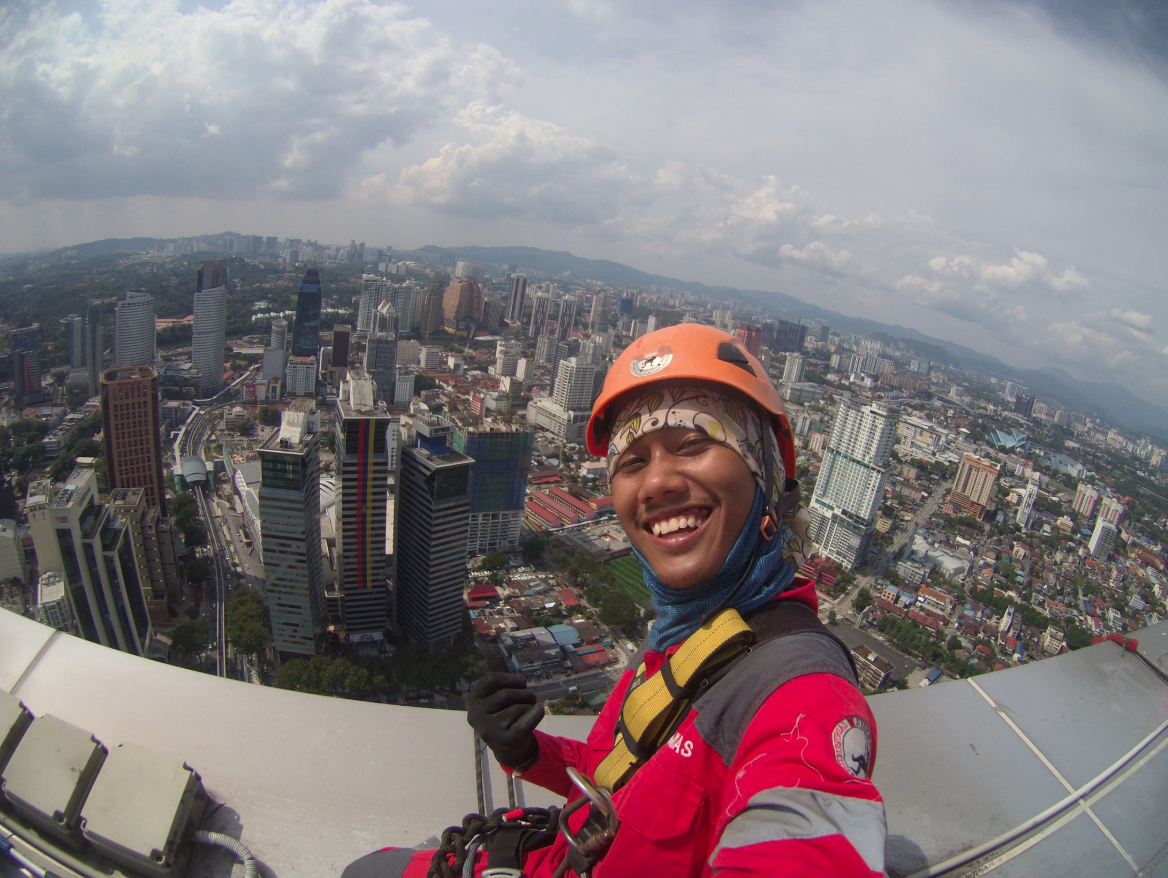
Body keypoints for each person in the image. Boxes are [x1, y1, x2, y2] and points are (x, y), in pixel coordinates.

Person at [343, 325, 886, 877]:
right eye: (632, 461)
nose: (656, 483)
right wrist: (531, 753)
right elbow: (618, 773)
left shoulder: (801, 699)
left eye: (695, 442)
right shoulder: (687, 640)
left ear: (768, 474)